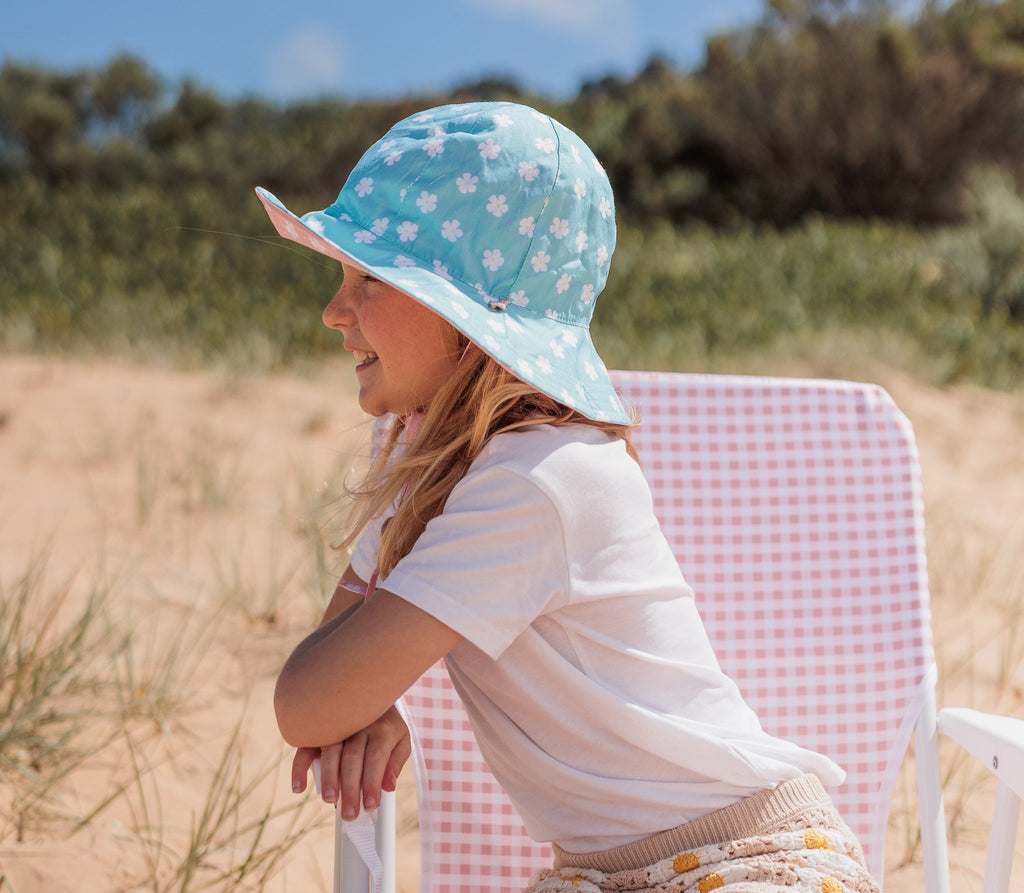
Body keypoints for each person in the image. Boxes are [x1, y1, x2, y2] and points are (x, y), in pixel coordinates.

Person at [259, 101, 882, 893]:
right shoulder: (433, 473)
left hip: (749, 858)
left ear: (472, 314)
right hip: (609, 873)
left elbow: (307, 695)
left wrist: (354, 693)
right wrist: (367, 701)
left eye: (370, 279)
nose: (333, 311)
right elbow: (324, 683)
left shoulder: (537, 480)